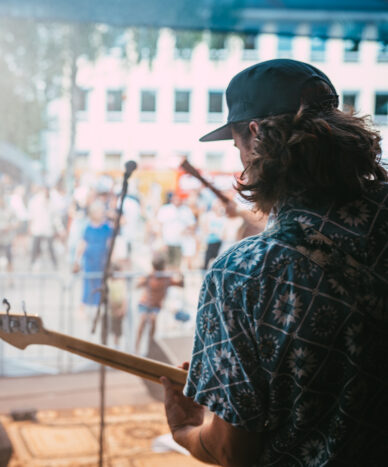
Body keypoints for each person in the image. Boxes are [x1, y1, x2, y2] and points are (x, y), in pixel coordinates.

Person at [161, 59, 388, 465]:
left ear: (253, 136)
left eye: (236, 147)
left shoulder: (241, 275)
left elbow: (234, 451)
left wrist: (189, 432)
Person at [134, 254, 183, 355]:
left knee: (153, 319)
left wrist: (180, 273)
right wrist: (147, 276)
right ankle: (137, 347)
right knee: (143, 320)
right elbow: (137, 285)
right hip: (145, 303)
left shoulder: (167, 277)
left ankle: (150, 345)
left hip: (155, 306)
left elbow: (180, 284)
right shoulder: (150, 276)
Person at [73, 200, 113, 314]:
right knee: (87, 284)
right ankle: (83, 307)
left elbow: (110, 244)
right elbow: (83, 243)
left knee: (101, 283)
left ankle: (99, 307)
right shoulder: (87, 228)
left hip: (102, 261)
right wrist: (77, 260)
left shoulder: (107, 227)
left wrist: (112, 260)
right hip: (90, 261)